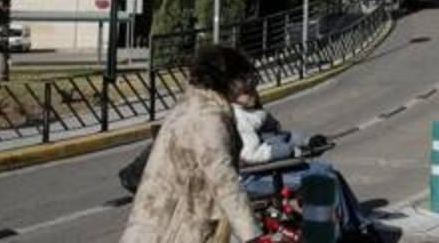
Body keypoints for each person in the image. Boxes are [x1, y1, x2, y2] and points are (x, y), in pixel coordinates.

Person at [121, 46, 262, 243]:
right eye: (243, 78)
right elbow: (223, 177)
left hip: (165, 221)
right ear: (225, 79)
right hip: (170, 228)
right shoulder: (207, 116)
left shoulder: (194, 105)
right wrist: (250, 234)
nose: (249, 85)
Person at [231, 86, 375, 238]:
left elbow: (283, 136)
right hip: (254, 178)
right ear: (232, 95)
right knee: (322, 178)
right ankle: (341, 232)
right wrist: (292, 152)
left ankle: (356, 225)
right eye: (246, 92)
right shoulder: (240, 118)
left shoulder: (255, 112)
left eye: (253, 89)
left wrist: (308, 141)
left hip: (269, 170)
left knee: (330, 172)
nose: (253, 93)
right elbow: (252, 154)